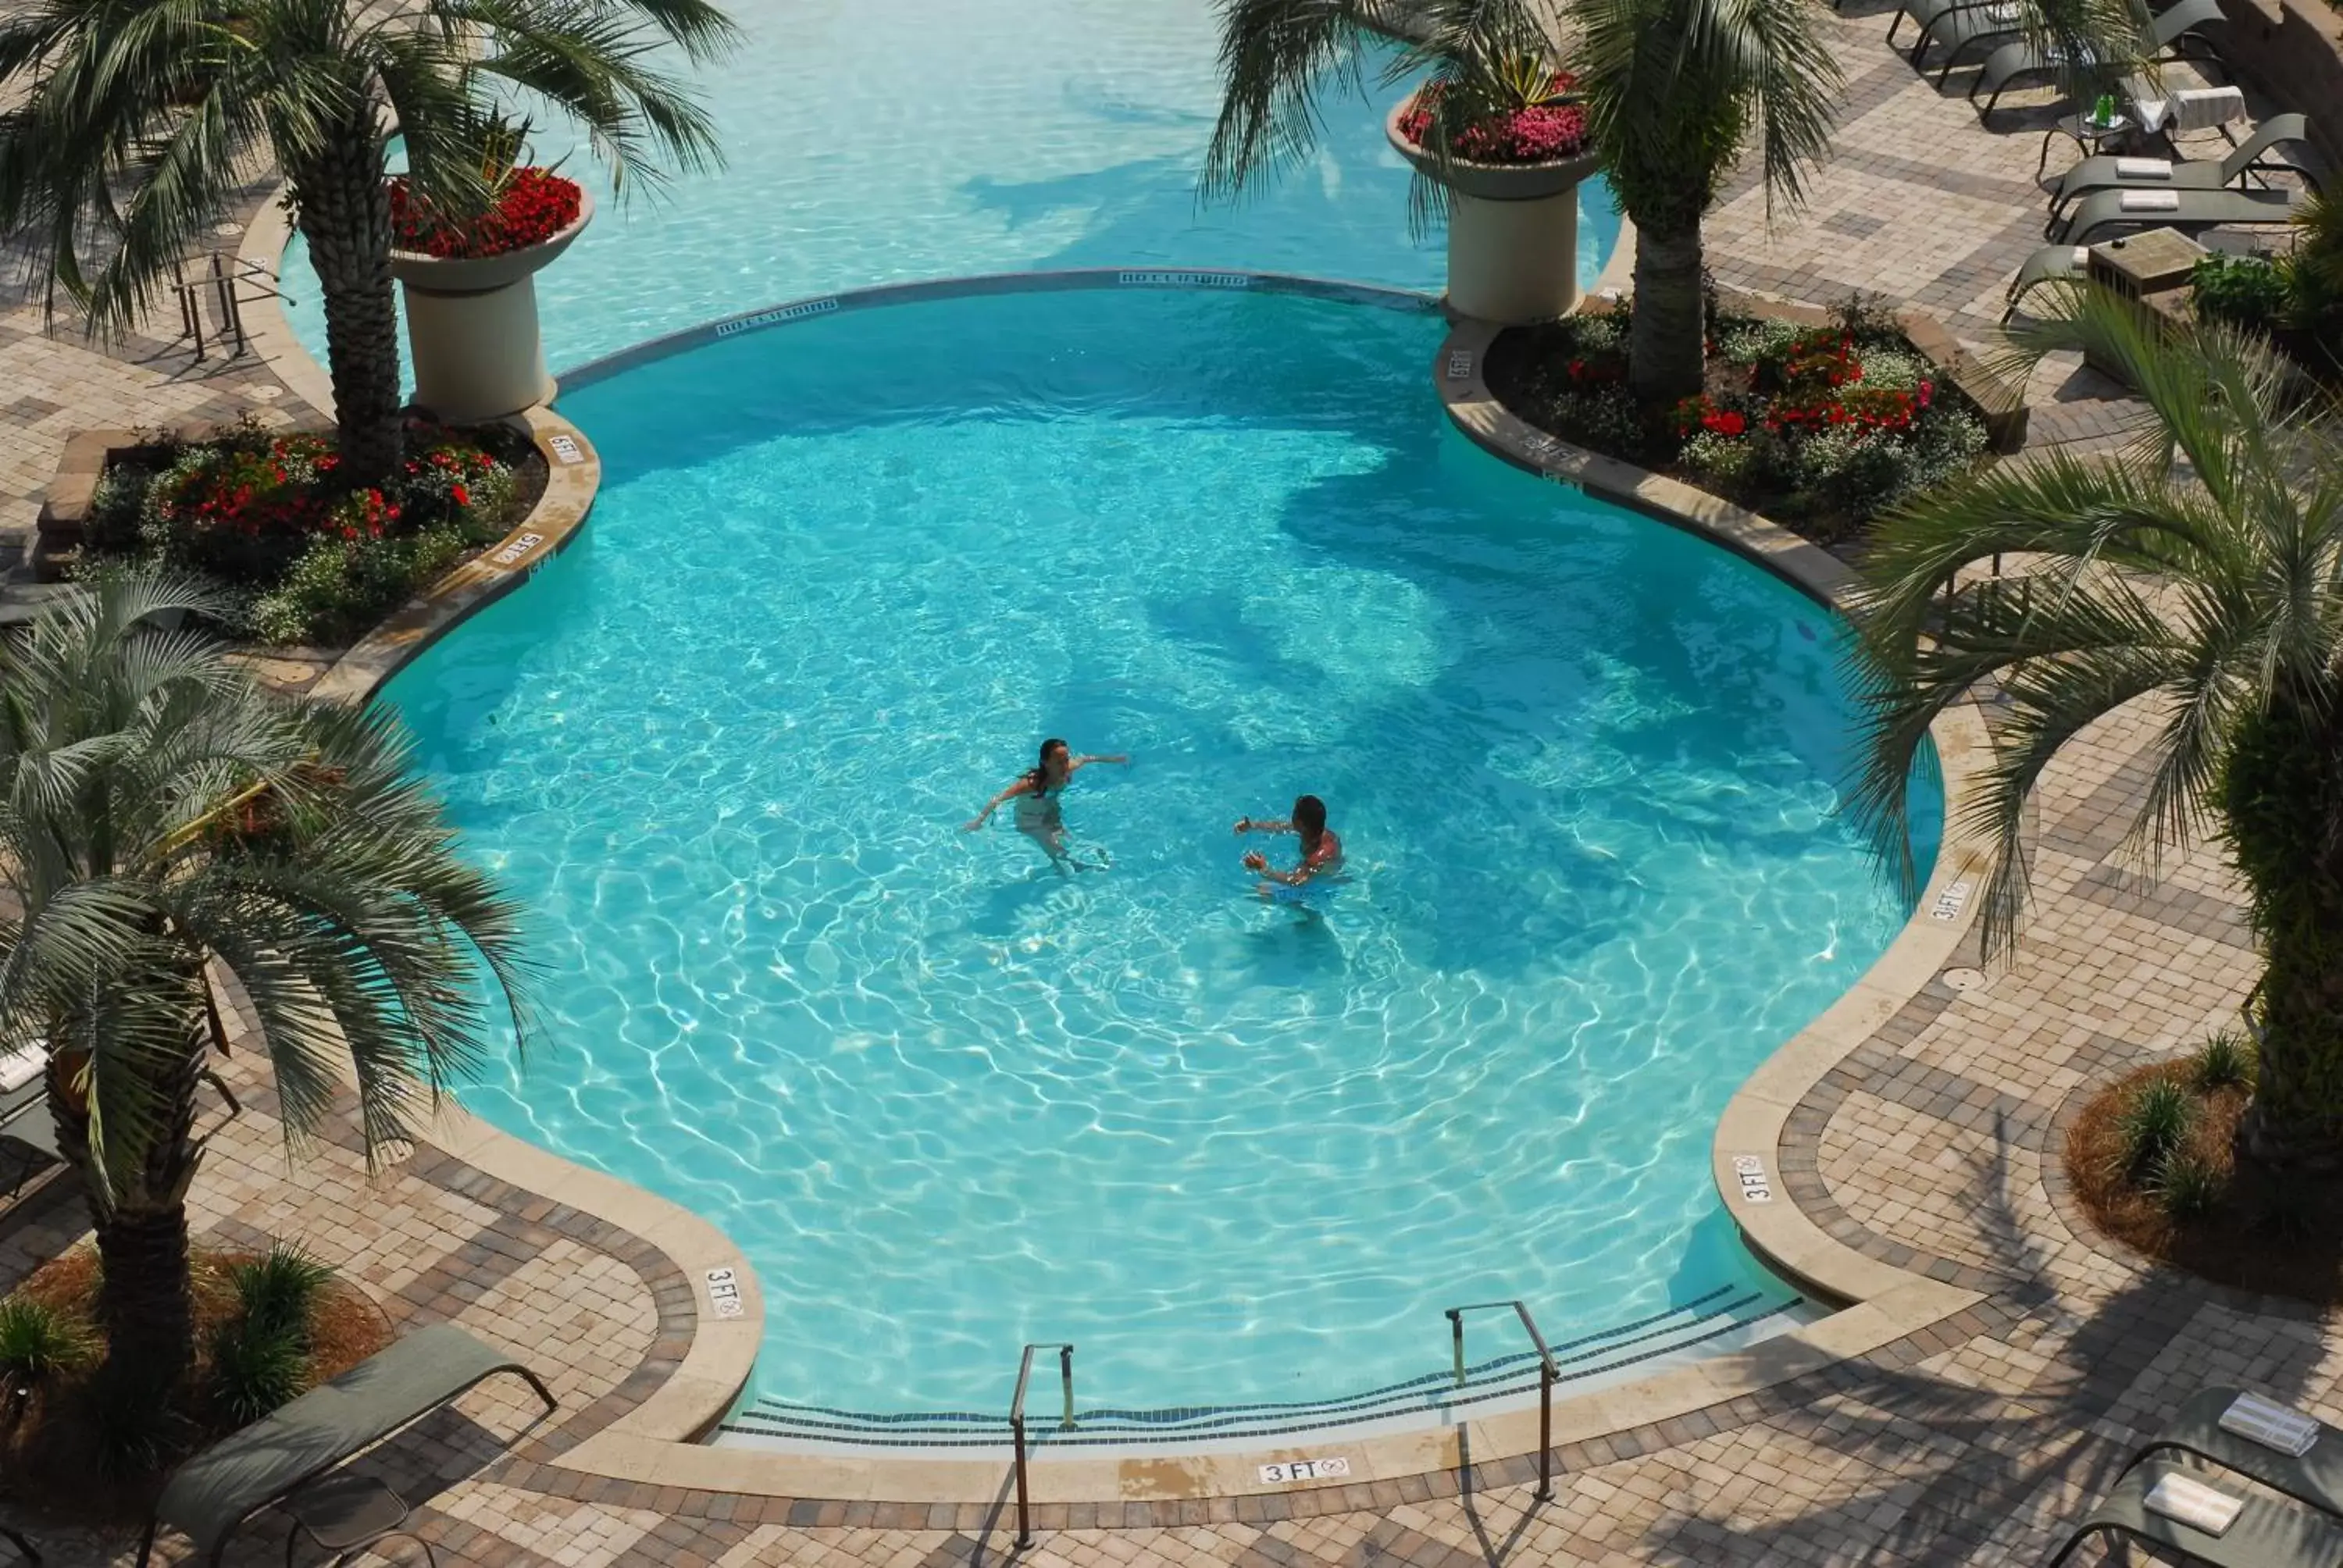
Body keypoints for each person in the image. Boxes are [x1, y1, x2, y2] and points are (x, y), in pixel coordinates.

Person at [965, 737, 1128, 861]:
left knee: (1067, 839)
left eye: (1066, 760)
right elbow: (997, 799)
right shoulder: (1030, 784)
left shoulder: (1068, 768)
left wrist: (1115, 759)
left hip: (1051, 810)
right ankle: (1068, 869)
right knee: (1056, 850)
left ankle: (1077, 861)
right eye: (1059, 762)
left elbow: (1087, 758)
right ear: (1045, 762)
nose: (1065, 766)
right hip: (1030, 819)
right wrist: (978, 821)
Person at [1232, 794, 1343, 888]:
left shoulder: (1316, 857)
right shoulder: (1313, 830)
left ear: (1302, 825)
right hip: (1314, 871)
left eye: (1294, 814)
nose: (1291, 816)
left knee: (1263, 889)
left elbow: (1296, 880)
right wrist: (1253, 825)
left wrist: (1264, 869)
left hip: (1322, 882)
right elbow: (1282, 827)